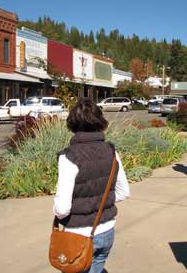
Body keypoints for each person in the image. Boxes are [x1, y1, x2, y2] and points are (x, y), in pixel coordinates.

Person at [53, 98, 130, 273]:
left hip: (79, 234)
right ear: (100, 121)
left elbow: (63, 208)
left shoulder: (69, 157)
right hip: (107, 230)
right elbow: (124, 192)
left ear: (72, 123)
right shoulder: (111, 151)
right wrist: (102, 201)